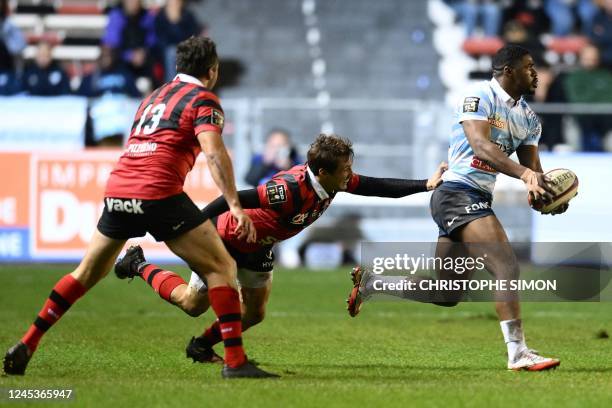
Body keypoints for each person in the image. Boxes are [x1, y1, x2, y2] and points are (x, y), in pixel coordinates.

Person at [3, 36, 276, 379]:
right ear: (212, 71)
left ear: (177, 68)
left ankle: (30, 340)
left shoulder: (153, 97)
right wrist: (234, 205)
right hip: (158, 192)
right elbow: (213, 151)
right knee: (222, 267)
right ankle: (235, 363)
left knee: (85, 273)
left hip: (118, 190)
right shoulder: (203, 99)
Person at [112, 134, 447, 363]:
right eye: (344, 169)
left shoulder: (335, 181)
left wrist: (425, 185)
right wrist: (190, 226)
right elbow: (237, 198)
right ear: (322, 172)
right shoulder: (288, 189)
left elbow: (376, 186)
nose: (350, 175)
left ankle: (200, 346)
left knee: (255, 314)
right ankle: (137, 263)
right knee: (191, 303)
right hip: (226, 240)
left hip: (259, 248)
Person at [348, 45, 565, 371]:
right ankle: (518, 353)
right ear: (508, 70)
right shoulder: (479, 96)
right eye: (529, 66)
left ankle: (374, 284)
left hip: (473, 198)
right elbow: (481, 144)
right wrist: (525, 175)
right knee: (506, 266)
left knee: (447, 292)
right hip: (456, 193)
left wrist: (546, 196)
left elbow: (532, 171)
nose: (535, 72)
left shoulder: (529, 120)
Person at [102, 0, 158, 84]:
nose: (134, 3)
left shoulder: (147, 17)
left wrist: (144, 53)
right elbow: (112, 45)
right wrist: (129, 56)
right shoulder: (116, 16)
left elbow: (152, 42)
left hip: (144, 62)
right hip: (121, 63)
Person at [155, 0, 203, 82]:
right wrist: (173, 24)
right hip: (164, 51)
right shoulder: (160, 17)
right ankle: (172, 85)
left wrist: (176, 22)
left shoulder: (187, 16)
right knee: (171, 52)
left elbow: (192, 35)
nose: (174, 5)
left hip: (185, 48)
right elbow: (159, 38)